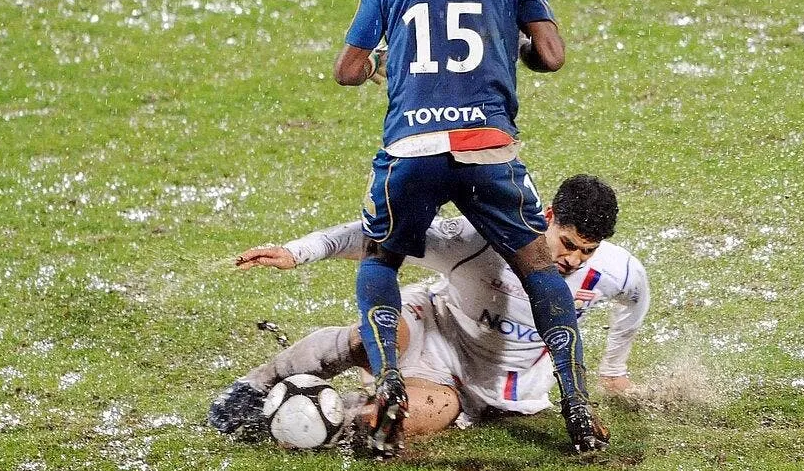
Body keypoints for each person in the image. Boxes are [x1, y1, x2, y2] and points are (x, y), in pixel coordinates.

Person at [331, 0, 602, 454]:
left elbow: (347, 71)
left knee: (381, 260)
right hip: (489, 150)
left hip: (412, 149)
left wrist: (385, 61)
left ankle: (389, 383)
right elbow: (551, 56)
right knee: (539, 270)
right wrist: (515, 49)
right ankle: (577, 404)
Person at [209, 175, 649, 443]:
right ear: (547, 215)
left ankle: (298, 417)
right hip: (431, 329)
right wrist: (299, 252)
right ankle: (256, 386)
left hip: (476, 389)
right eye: (567, 243)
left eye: (586, 251)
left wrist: (615, 369)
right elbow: (379, 236)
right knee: (369, 340)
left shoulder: (617, 272)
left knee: (379, 423)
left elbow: (634, 302)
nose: (572, 259)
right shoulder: (479, 241)